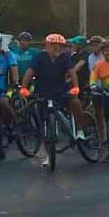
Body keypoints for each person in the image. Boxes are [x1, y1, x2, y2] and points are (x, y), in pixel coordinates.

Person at [20, 33, 88, 168]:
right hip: (43, 92)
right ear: (47, 46)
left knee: (75, 102)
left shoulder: (64, 57)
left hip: (61, 91)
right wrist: (24, 88)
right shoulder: (39, 57)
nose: (57, 48)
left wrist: (75, 87)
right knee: (43, 125)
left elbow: (72, 72)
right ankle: (48, 155)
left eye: (60, 46)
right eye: (53, 45)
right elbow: (29, 72)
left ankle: (80, 130)